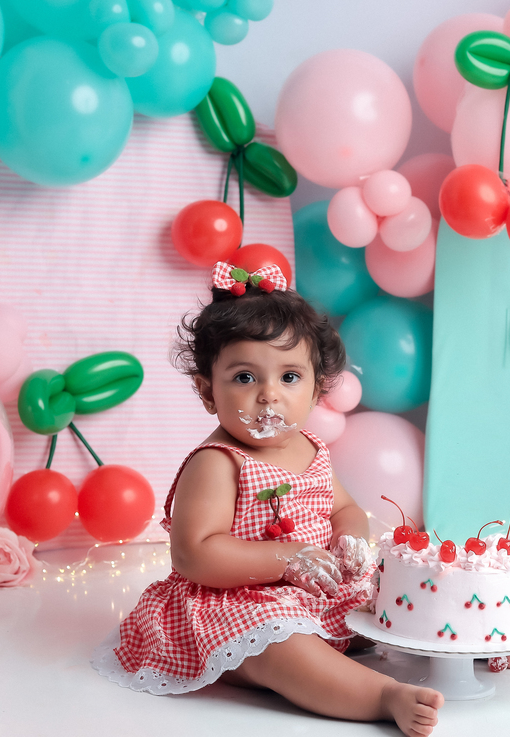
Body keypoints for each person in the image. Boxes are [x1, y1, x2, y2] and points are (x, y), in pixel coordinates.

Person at [92, 262, 444, 736]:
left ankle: (484, 646)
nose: (268, 395)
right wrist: (288, 557)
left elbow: (343, 508)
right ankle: (380, 696)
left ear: (317, 389)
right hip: (237, 603)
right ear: (207, 392)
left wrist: (350, 538)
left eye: (290, 377)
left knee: (397, 595)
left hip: (316, 590)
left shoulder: (311, 448)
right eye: (244, 378)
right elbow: (194, 554)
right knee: (279, 643)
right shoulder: (218, 462)